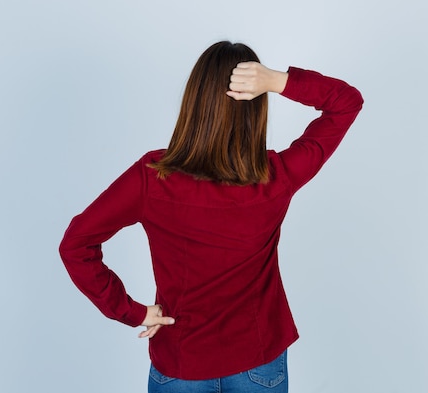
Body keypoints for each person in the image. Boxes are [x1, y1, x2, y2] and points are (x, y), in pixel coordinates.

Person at [59, 41, 363, 393]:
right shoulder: (276, 176)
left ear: (195, 101)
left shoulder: (152, 177)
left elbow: (76, 244)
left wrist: (131, 311)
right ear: (255, 109)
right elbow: (346, 102)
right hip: (258, 364)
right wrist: (278, 81)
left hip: (180, 362)